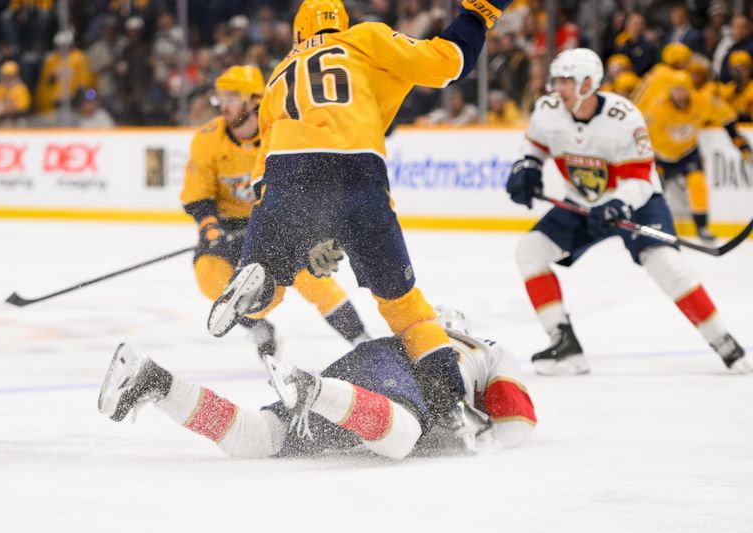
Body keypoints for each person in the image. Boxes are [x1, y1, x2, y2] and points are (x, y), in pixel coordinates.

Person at [207, 0, 514, 426]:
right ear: (342, 22)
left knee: (270, 285)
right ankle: (452, 408)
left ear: (299, 33)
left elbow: (262, 172)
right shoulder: (365, 38)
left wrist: (306, 234)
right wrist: (477, 16)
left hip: (286, 174)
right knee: (406, 308)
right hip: (357, 169)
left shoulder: (279, 73)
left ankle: (261, 280)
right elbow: (448, 63)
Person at [505, 48, 750, 376]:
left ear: (588, 84)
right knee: (530, 252)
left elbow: (639, 178)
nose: (557, 88)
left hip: (638, 203)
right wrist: (527, 166)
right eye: (557, 80)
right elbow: (534, 144)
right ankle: (565, 345)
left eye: (566, 81)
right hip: (582, 203)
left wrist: (618, 204)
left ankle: (723, 341)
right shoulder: (548, 110)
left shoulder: (624, 118)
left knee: (665, 263)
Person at [97, 307, 536, 459]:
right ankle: (314, 389)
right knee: (402, 438)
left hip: (366, 369)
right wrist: (468, 438)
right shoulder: (485, 348)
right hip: (396, 372)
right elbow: (517, 424)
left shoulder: (420, 331)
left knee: (256, 437)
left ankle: (155, 382)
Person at [181, 65, 370, 357]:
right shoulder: (207, 138)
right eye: (220, 97)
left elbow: (306, 187)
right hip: (229, 227)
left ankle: (364, 343)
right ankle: (259, 329)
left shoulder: (282, 133)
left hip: (277, 222)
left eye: (232, 97)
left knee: (315, 282)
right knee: (210, 277)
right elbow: (199, 194)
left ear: (254, 100)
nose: (224, 105)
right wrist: (210, 227)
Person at [645, 70, 751, 242]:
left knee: (698, 184)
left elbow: (727, 118)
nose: (680, 93)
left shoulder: (701, 101)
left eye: (683, 89)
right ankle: (651, 224)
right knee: (654, 191)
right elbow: (642, 136)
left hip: (688, 152)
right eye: (676, 89)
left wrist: (740, 143)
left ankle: (701, 226)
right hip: (661, 156)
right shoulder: (657, 108)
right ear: (670, 90)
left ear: (690, 89)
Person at [0, 61, 31, 125]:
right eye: (5, 76)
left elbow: (23, 109)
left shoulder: (21, 89)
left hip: (15, 121)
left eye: (11, 76)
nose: (8, 78)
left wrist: (9, 107)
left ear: (16, 76)